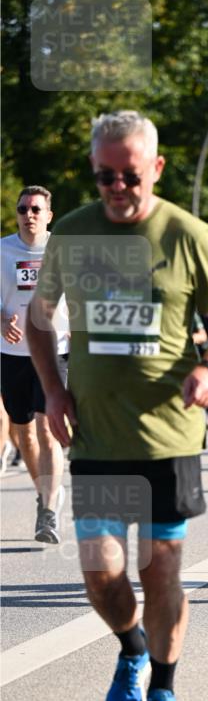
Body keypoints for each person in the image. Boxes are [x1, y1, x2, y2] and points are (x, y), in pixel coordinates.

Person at [27, 110, 208, 701]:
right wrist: (52, 391)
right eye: (104, 177)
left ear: (155, 168)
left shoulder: (186, 233)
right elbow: (41, 320)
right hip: (95, 432)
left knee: (161, 571)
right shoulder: (70, 234)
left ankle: (166, 687)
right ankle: (130, 646)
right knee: (101, 572)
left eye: (129, 175)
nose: (118, 188)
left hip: (167, 437)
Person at [1, 185, 69, 541]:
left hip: (54, 350)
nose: (29, 214)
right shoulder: (2, 250)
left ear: (48, 215)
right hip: (12, 354)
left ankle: (47, 512)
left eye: (36, 209)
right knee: (23, 432)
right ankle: (47, 494)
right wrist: (0, 319)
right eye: (23, 208)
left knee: (46, 429)